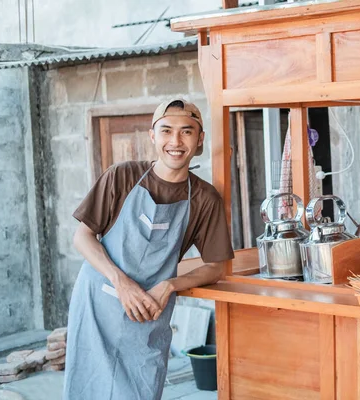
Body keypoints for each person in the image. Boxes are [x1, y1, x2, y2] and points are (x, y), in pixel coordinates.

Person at [63, 98, 234, 400]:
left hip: (148, 313)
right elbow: (83, 237)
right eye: (166, 131)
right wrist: (120, 281)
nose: (176, 142)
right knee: (88, 390)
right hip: (97, 307)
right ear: (153, 136)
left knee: (141, 390)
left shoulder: (204, 198)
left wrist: (170, 284)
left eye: (187, 132)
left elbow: (216, 266)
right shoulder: (123, 176)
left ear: (200, 140)